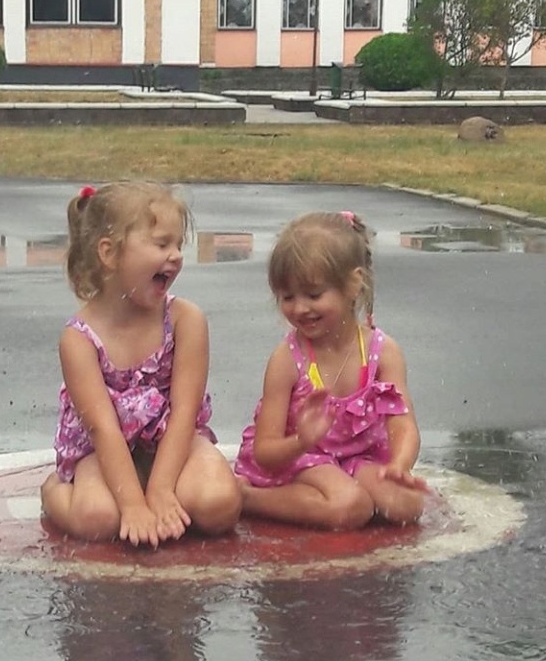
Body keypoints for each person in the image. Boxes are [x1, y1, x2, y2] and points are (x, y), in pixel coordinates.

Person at [41, 181, 242, 548]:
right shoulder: (79, 339)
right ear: (109, 253)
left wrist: (161, 489)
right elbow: (103, 429)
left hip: (172, 440)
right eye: (162, 244)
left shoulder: (185, 320)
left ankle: (156, 484)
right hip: (104, 450)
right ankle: (53, 491)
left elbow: (185, 414)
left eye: (178, 245)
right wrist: (133, 504)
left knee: (219, 505)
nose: (176, 256)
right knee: (98, 519)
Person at [235, 210, 427, 530]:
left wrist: (399, 465)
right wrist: (301, 440)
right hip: (298, 458)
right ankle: (248, 497)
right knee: (350, 506)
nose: (299, 308)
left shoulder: (383, 352)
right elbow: (265, 451)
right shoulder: (287, 360)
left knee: (406, 504)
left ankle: (335, 492)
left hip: (356, 459)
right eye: (287, 297)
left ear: (353, 284)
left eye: (313, 295)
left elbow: (403, 426)